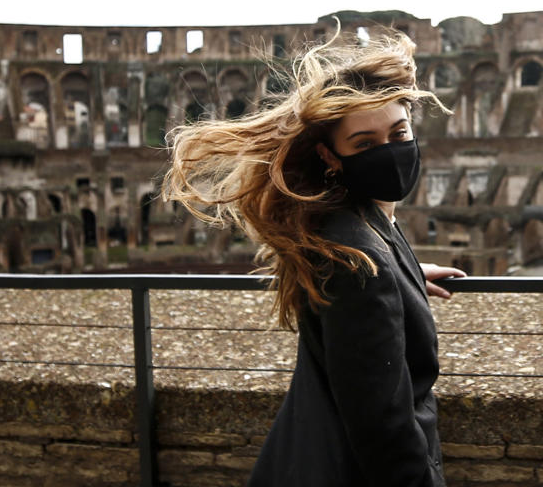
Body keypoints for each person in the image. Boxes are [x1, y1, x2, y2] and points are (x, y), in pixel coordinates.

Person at [163, 28, 466, 487]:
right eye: (365, 143)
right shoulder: (355, 258)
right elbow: (384, 429)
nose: (389, 150)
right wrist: (382, 282)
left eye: (398, 132)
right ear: (330, 154)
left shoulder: (345, 219)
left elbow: (364, 295)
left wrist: (402, 278)